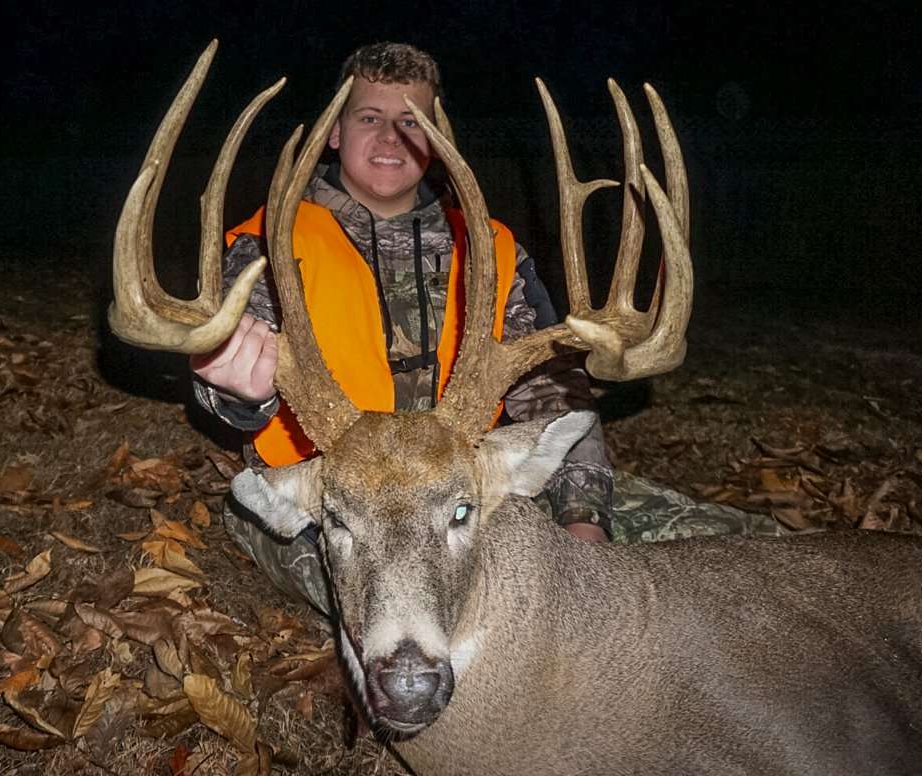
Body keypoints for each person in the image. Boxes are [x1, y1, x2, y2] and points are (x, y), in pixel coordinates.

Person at [190, 42, 779, 613]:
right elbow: (235, 380)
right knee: (449, 608)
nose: (392, 137)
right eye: (370, 117)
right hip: (328, 498)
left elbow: (552, 392)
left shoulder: (490, 248)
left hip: (469, 484)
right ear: (335, 132)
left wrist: (581, 517)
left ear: (438, 141)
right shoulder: (269, 241)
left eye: (413, 121)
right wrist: (240, 391)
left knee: (742, 548)